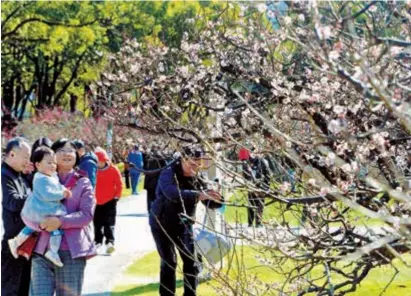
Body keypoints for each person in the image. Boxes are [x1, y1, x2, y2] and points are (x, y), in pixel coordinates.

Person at [28, 138, 96, 296]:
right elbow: (30, 208)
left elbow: (86, 215)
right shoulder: (41, 180)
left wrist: (60, 222)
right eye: (61, 151)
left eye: (71, 150)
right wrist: (40, 224)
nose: (67, 154)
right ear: (52, 155)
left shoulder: (83, 183)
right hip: (42, 250)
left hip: (71, 251)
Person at [150, 148, 221, 296]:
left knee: (191, 261)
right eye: (191, 163)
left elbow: (208, 201)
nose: (194, 167)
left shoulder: (197, 177)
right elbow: (172, 194)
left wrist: (217, 198)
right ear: (182, 159)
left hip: (184, 224)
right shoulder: (168, 173)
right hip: (162, 223)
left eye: (198, 164)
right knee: (170, 261)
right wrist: (199, 195)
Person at [9, 147, 72, 267]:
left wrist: (63, 190)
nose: (53, 165)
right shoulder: (40, 179)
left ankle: (16, 241)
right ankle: (52, 252)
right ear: (37, 164)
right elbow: (47, 195)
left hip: (41, 211)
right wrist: (62, 194)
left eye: (54, 162)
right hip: (39, 211)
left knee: (32, 228)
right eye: (49, 162)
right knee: (55, 231)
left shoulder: (51, 176)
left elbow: (58, 186)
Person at [1, 137, 32, 296]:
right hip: (13, 243)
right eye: (26, 156)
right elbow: (12, 202)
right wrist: (38, 198)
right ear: (12, 154)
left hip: (25, 242)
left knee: (24, 288)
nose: (28, 161)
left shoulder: (19, 175)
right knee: (11, 290)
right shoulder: (4, 175)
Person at [94, 148, 123, 254]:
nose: (99, 163)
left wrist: (117, 196)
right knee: (97, 223)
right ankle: (97, 241)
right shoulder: (93, 170)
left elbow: (119, 184)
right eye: (97, 161)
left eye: (101, 161)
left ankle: (110, 242)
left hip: (110, 200)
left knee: (108, 222)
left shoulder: (113, 169)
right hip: (96, 201)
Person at [242, 149, 271, 228]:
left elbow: (267, 175)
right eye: (253, 152)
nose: (254, 154)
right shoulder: (246, 162)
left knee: (260, 205)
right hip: (251, 186)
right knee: (251, 204)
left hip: (261, 187)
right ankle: (250, 222)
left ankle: (258, 222)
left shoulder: (263, 162)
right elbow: (245, 174)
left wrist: (266, 187)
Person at [144, 145, 166, 213]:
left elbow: (145, 168)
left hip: (150, 179)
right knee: (157, 195)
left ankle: (150, 209)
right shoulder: (161, 158)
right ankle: (156, 208)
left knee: (150, 195)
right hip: (157, 179)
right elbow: (165, 168)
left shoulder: (148, 158)